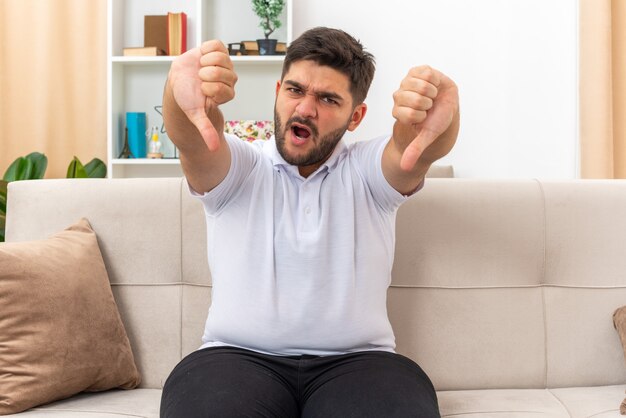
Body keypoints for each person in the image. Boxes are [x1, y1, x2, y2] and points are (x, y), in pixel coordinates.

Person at [160, 26, 459, 418]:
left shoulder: (367, 172)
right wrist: (175, 95)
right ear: (278, 91)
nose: (304, 109)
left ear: (356, 117)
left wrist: (437, 119)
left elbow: (411, 149)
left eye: (328, 98)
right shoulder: (241, 168)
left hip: (361, 364)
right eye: (295, 90)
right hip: (233, 360)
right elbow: (194, 141)